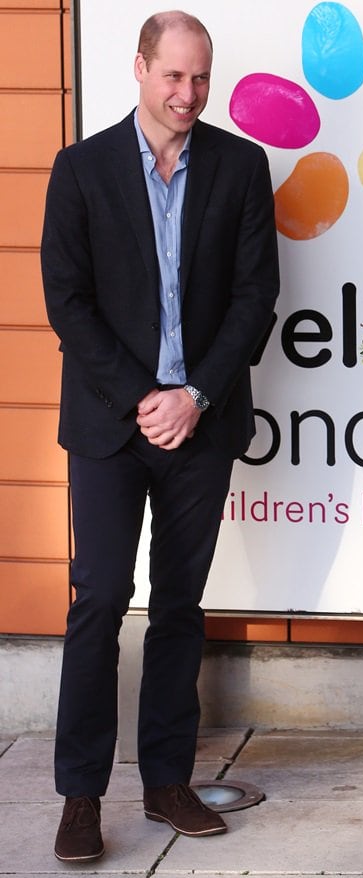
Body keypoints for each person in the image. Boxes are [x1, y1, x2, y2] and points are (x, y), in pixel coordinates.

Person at [41, 10, 279, 862]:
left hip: (203, 425)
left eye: (201, 78)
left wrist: (197, 396)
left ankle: (169, 782)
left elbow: (257, 297)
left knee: (179, 603)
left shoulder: (242, 166)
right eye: (173, 76)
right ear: (140, 70)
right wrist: (147, 396)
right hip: (110, 425)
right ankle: (79, 797)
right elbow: (66, 300)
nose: (188, 94)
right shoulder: (80, 169)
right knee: (99, 599)